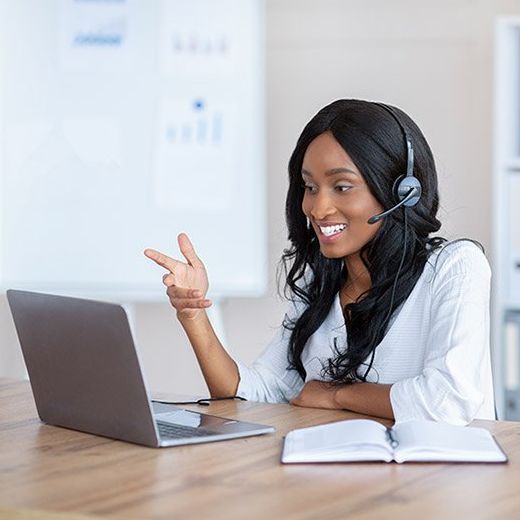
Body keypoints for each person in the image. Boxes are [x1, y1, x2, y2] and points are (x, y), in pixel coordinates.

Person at [144, 99, 495, 425]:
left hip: (442, 483)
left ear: (402, 191)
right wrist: (193, 316)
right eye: (310, 187)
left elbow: (448, 401)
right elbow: (253, 394)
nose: (317, 208)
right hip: (351, 478)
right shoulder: (323, 281)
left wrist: (336, 394)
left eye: (341, 187)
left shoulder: (456, 267)